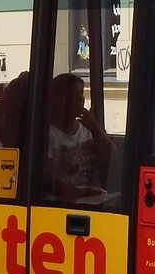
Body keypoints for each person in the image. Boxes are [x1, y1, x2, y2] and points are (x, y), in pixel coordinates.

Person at [44, 72, 113, 203]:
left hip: (96, 199)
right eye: (73, 95)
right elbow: (45, 178)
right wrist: (78, 193)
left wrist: (95, 129)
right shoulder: (47, 134)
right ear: (56, 99)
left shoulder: (89, 129)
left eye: (81, 94)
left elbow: (113, 158)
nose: (80, 99)